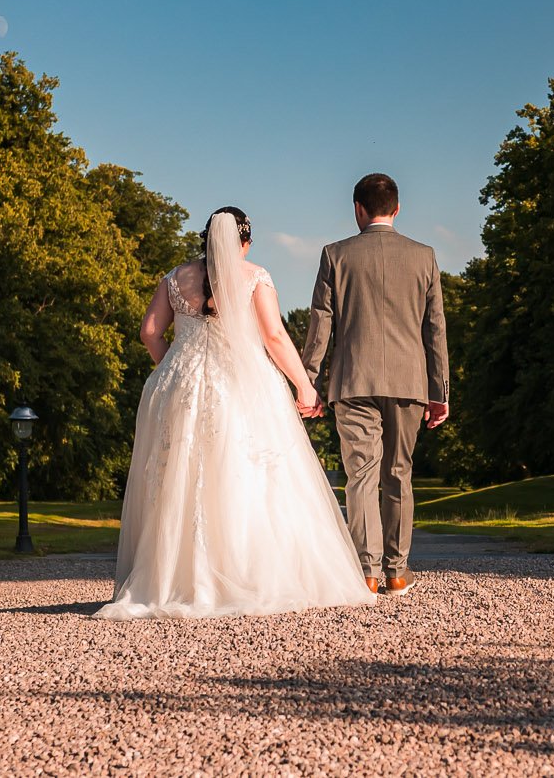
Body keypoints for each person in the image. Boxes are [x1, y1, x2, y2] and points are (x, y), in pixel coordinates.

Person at [96, 207, 377, 618]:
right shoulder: (254, 276)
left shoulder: (175, 278)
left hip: (181, 386)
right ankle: (244, 574)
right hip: (239, 385)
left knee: (179, 478)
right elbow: (275, 337)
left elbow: (149, 332)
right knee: (244, 474)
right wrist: (304, 385)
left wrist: (173, 364)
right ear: (243, 242)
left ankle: (172, 580)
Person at [301, 173, 449, 596]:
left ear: (357, 209)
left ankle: (366, 572)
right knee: (399, 474)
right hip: (409, 382)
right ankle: (397, 571)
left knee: (361, 475)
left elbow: (320, 323)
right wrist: (440, 392)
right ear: (397, 208)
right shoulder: (425, 256)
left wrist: (308, 380)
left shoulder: (335, 255)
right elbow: (435, 329)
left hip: (352, 381)